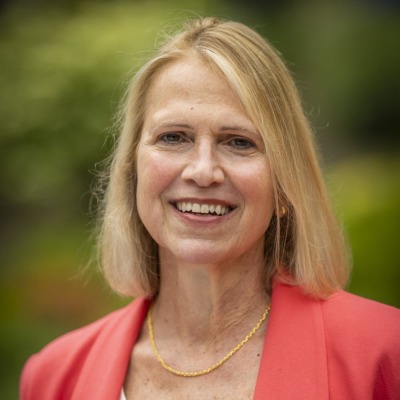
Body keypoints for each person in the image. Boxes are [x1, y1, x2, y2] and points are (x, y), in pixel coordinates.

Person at [20, 17, 400, 399]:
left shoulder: (383, 354)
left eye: (238, 142)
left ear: (285, 184)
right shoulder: (54, 377)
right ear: (132, 170)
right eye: (173, 137)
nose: (203, 171)